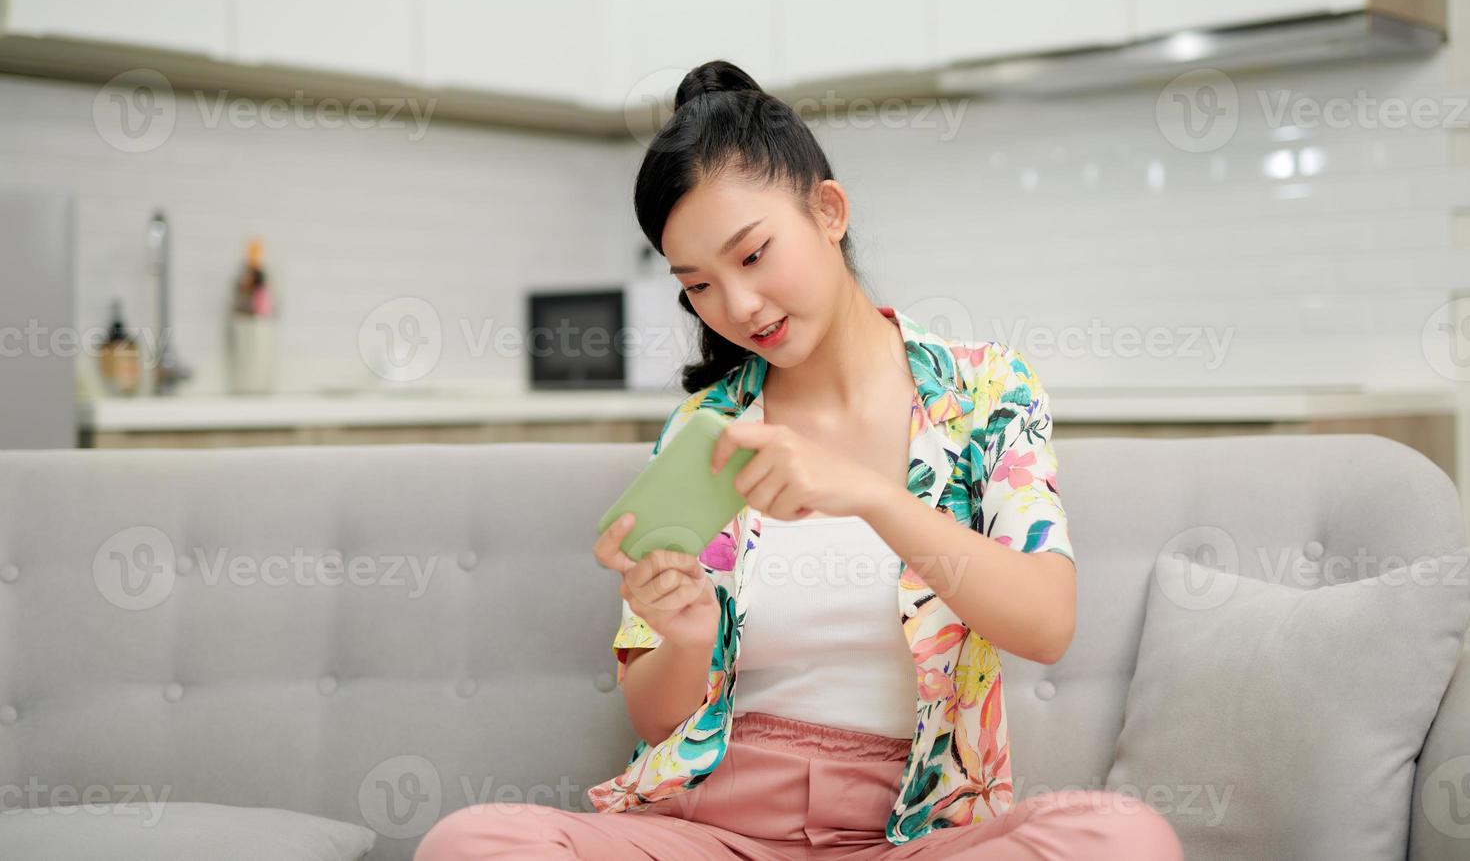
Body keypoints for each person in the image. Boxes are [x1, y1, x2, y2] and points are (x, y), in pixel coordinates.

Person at [414, 60, 1183, 860]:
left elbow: (1047, 621)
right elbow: (654, 721)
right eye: (699, 287)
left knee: (1121, 838)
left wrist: (871, 496)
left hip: (909, 837)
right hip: (716, 830)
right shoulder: (706, 431)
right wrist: (684, 638)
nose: (737, 307)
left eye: (752, 257)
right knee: (470, 842)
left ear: (829, 211)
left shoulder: (984, 391)